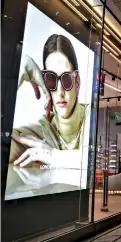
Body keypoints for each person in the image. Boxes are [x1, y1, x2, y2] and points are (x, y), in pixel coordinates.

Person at [10, 34, 90, 170]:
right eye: (51, 79)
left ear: (77, 83)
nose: (60, 92)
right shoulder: (39, 133)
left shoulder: (91, 117)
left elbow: (97, 160)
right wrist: (14, 72)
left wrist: (53, 156)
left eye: (66, 79)